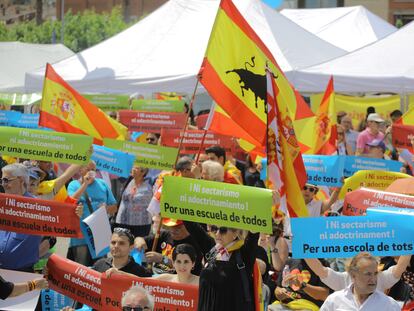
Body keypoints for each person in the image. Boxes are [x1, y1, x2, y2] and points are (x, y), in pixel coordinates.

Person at [184, 221, 259, 310]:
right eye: (214, 228)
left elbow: (254, 234)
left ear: (235, 233)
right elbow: (192, 226)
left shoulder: (244, 254)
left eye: (223, 230)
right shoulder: (212, 249)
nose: (217, 233)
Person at [67, 161, 117, 266]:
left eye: (93, 170)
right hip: (81, 237)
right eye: (88, 169)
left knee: (100, 268)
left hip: (99, 234)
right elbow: (70, 202)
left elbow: (114, 207)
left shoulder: (102, 184)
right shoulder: (73, 184)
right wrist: (85, 184)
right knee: (81, 270)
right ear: (80, 170)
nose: (91, 172)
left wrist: (106, 209)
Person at [320, 252, 400, 311]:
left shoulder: (389, 305)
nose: (373, 279)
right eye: (368, 274)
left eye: (375, 273)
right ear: (353, 275)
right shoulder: (334, 300)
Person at [134, 218, 213, 275]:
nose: (173, 230)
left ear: (187, 227)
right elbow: (139, 239)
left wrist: (162, 259)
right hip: (155, 275)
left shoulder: (195, 243)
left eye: (178, 227)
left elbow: (187, 267)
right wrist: (139, 241)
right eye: (171, 226)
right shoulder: (165, 235)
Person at [304, 254, 411, 292]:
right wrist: (302, 247)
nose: (372, 278)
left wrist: (409, 242)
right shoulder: (343, 280)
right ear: (353, 273)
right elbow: (320, 270)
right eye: (366, 273)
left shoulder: (380, 278)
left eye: (373, 272)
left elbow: (400, 268)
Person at [114, 166, 153, 237]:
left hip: (141, 224)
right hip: (123, 221)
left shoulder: (149, 185)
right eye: (133, 167)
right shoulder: (127, 181)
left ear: (143, 172)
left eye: (137, 168)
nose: (133, 169)